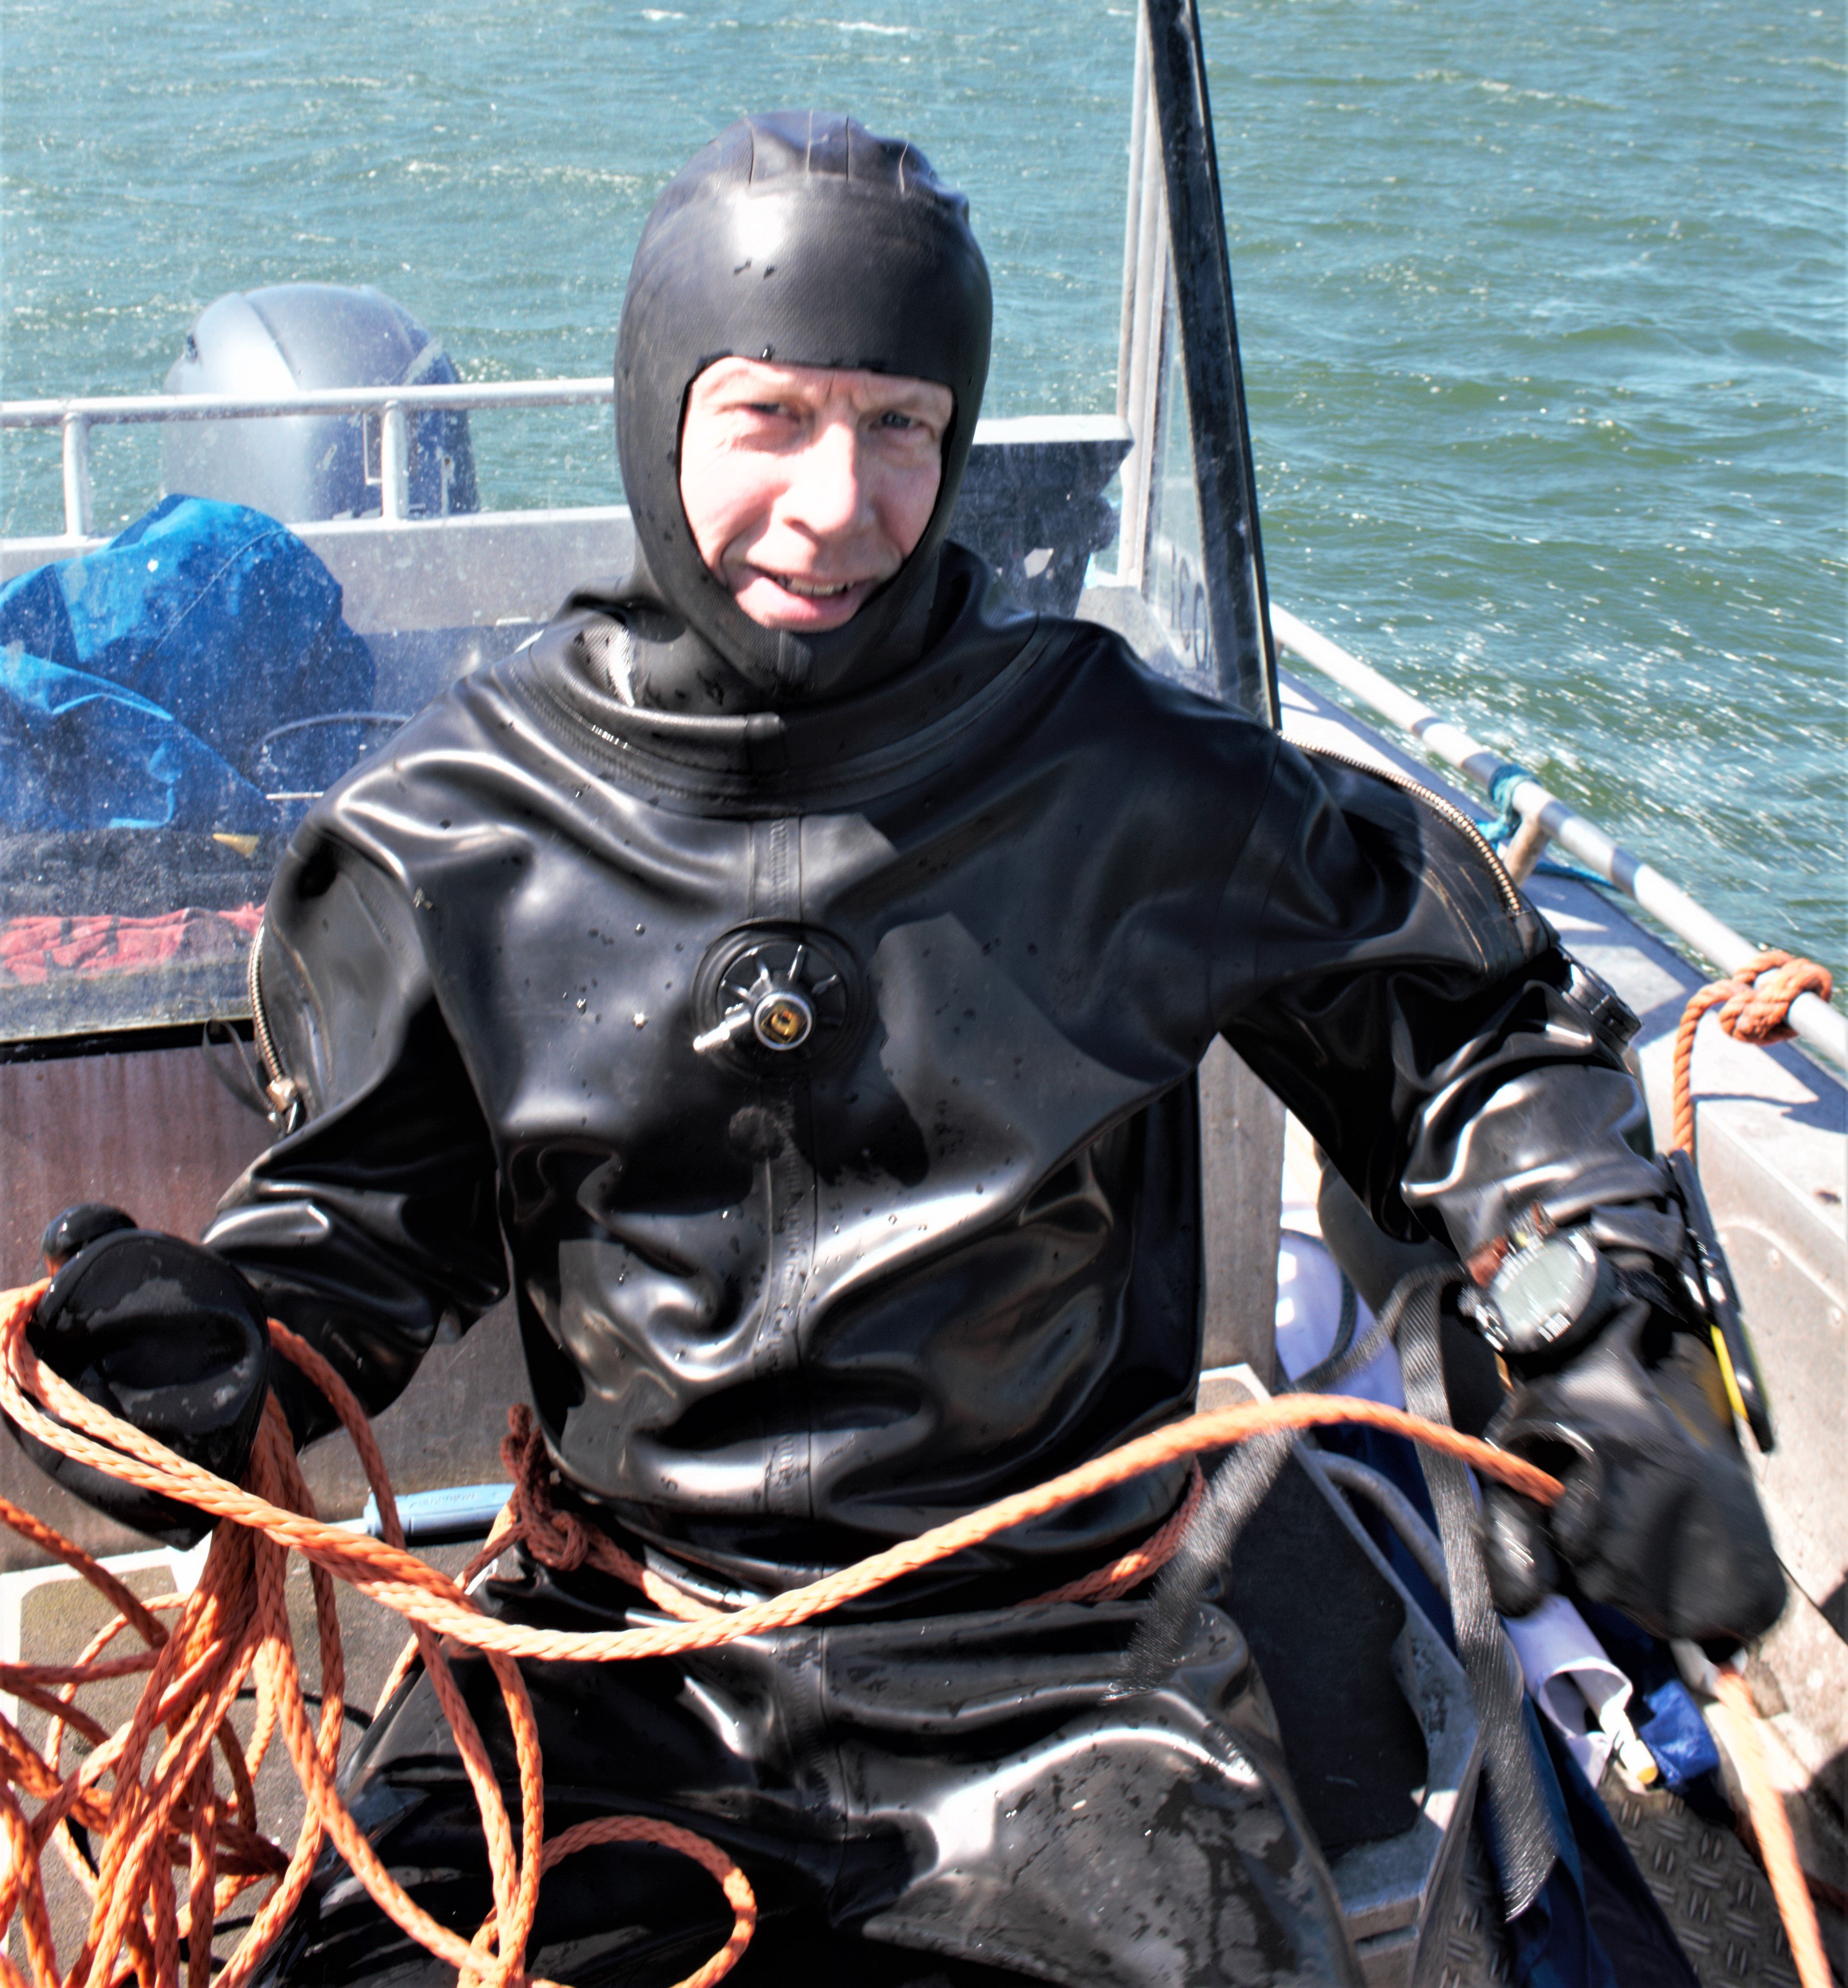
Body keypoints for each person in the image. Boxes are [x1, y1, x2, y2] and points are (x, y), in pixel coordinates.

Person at [20, 116, 1783, 1987]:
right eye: (770, 417)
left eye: (901, 429)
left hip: (1068, 1674)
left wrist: (1602, 1332)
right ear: (654, 410)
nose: (838, 503)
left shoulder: (1122, 781)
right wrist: (207, 1369)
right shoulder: (457, 834)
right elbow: (365, 1246)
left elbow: (1471, 1025)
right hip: (619, 1659)